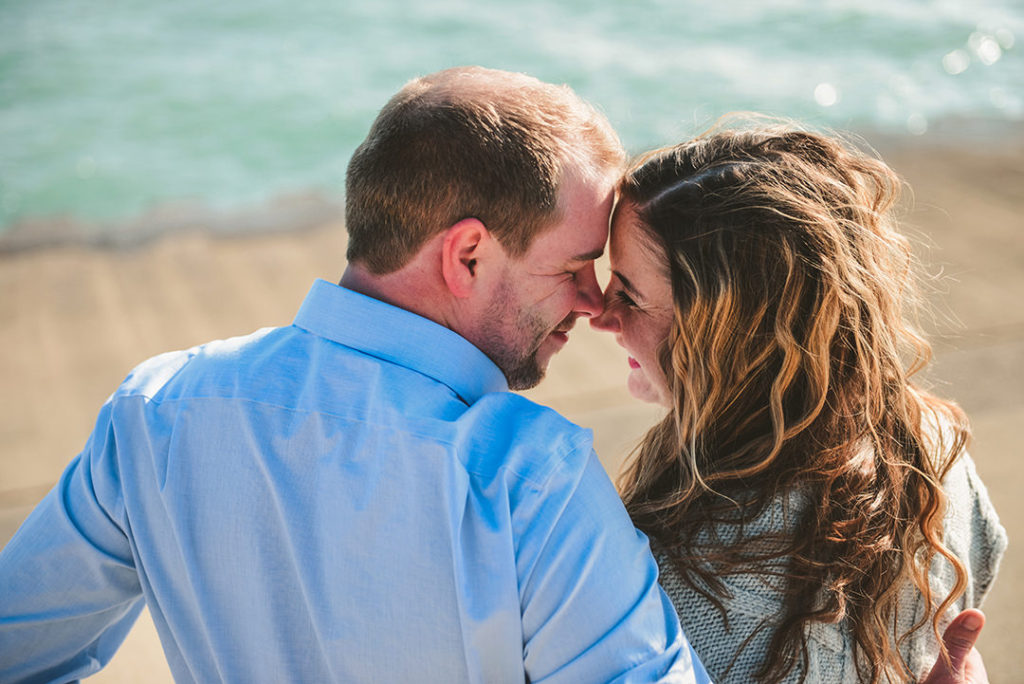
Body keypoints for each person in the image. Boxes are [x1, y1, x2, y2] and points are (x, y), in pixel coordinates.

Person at [0, 67, 710, 683]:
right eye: (572, 266)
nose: (592, 301)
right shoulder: (526, 476)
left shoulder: (156, 412)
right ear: (466, 256)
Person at [589, 122, 1007, 683]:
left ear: (734, 334)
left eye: (630, 294)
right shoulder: (936, 454)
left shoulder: (668, 581)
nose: (601, 314)